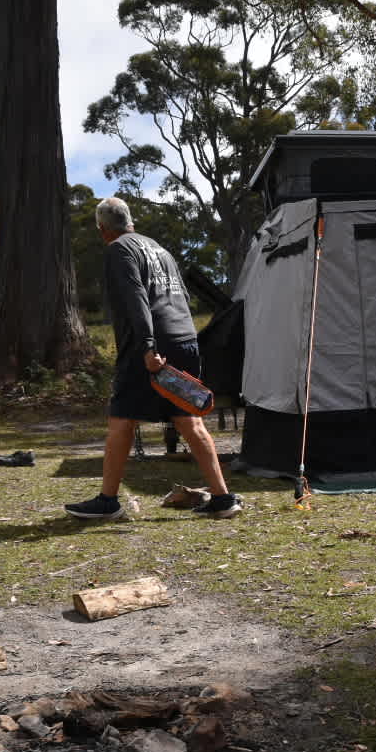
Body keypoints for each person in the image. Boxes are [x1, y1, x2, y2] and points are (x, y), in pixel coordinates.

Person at [64, 197, 242, 521]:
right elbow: (183, 298)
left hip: (151, 345)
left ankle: (108, 501)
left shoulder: (120, 250)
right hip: (185, 339)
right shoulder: (161, 250)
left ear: (103, 229)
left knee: (121, 419)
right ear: (130, 220)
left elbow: (136, 299)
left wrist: (147, 347)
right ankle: (222, 497)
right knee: (189, 420)